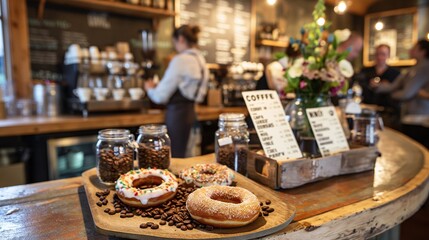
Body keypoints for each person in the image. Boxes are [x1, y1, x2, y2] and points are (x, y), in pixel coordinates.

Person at [144, 25, 209, 158]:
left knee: (176, 158)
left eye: (174, 43)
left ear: (180, 39)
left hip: (177, 117)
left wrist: (150, 89)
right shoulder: (201, 60)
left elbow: (160, 97)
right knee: (190, 156)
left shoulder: (180, 60)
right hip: (192, 114)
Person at [371, 39, 429, 147]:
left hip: (420, 120)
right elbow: (394, 87)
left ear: (422, 51)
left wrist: (393, 94)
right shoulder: (413, 69)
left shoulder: (424, 68)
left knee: (418, 151)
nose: (410, 50)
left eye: (414, 48)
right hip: (411, 118)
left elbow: (406, 94)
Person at [355, 44, 401, 129]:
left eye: (383, 54)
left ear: (388, 55)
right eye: (377, 54)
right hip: (367, 112)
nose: (380, 57)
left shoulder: (395, 73)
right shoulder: (365, 71)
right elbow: (358, 88)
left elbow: (398, 92)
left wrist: (385, 87)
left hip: (388, 114)